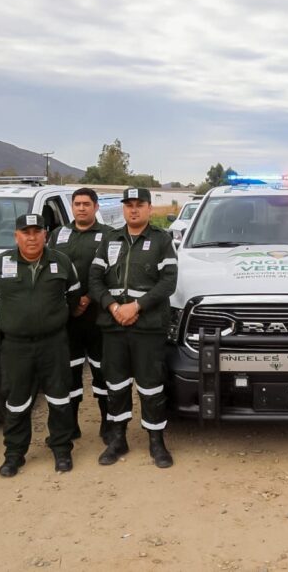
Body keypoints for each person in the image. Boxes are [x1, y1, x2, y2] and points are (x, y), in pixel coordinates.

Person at [0, 213, 81, 477]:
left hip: (53, 343)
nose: (31, 237)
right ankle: (14, 454)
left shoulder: (61, 262)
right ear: (16, 236)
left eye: (36, 231)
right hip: (16, 346)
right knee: (16, 402)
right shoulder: (0, 263)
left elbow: (73, 297)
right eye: (25, 232)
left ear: (45, 235)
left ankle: (62, 449)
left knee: (60, 398)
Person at [89, 187, 178, 468]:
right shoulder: (109, 239)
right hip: (114, 326)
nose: (134, 210)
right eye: (129, 205)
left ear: (150, 209)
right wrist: (114, 307)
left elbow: (168, 282)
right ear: (123, 209)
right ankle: (117, 439)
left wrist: (136, 306)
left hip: (148, 326)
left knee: (151, 386)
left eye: (140, 205)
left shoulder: (162, 240)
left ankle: (156, 441)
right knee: (116, 385)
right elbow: (94, 279)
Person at [47, 188, 112, 439]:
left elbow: (112, 275)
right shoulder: (58, 234)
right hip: (68, 319)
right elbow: (50, 271)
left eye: (86, 204)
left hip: (97, 317)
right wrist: (69, 303)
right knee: (69, 374)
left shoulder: (108, 236)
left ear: (96, 207)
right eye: (77, 204)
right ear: (72, 207)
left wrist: (86, 298)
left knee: (101, 372)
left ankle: (107, 424)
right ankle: (70, 426)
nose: (81, 208)